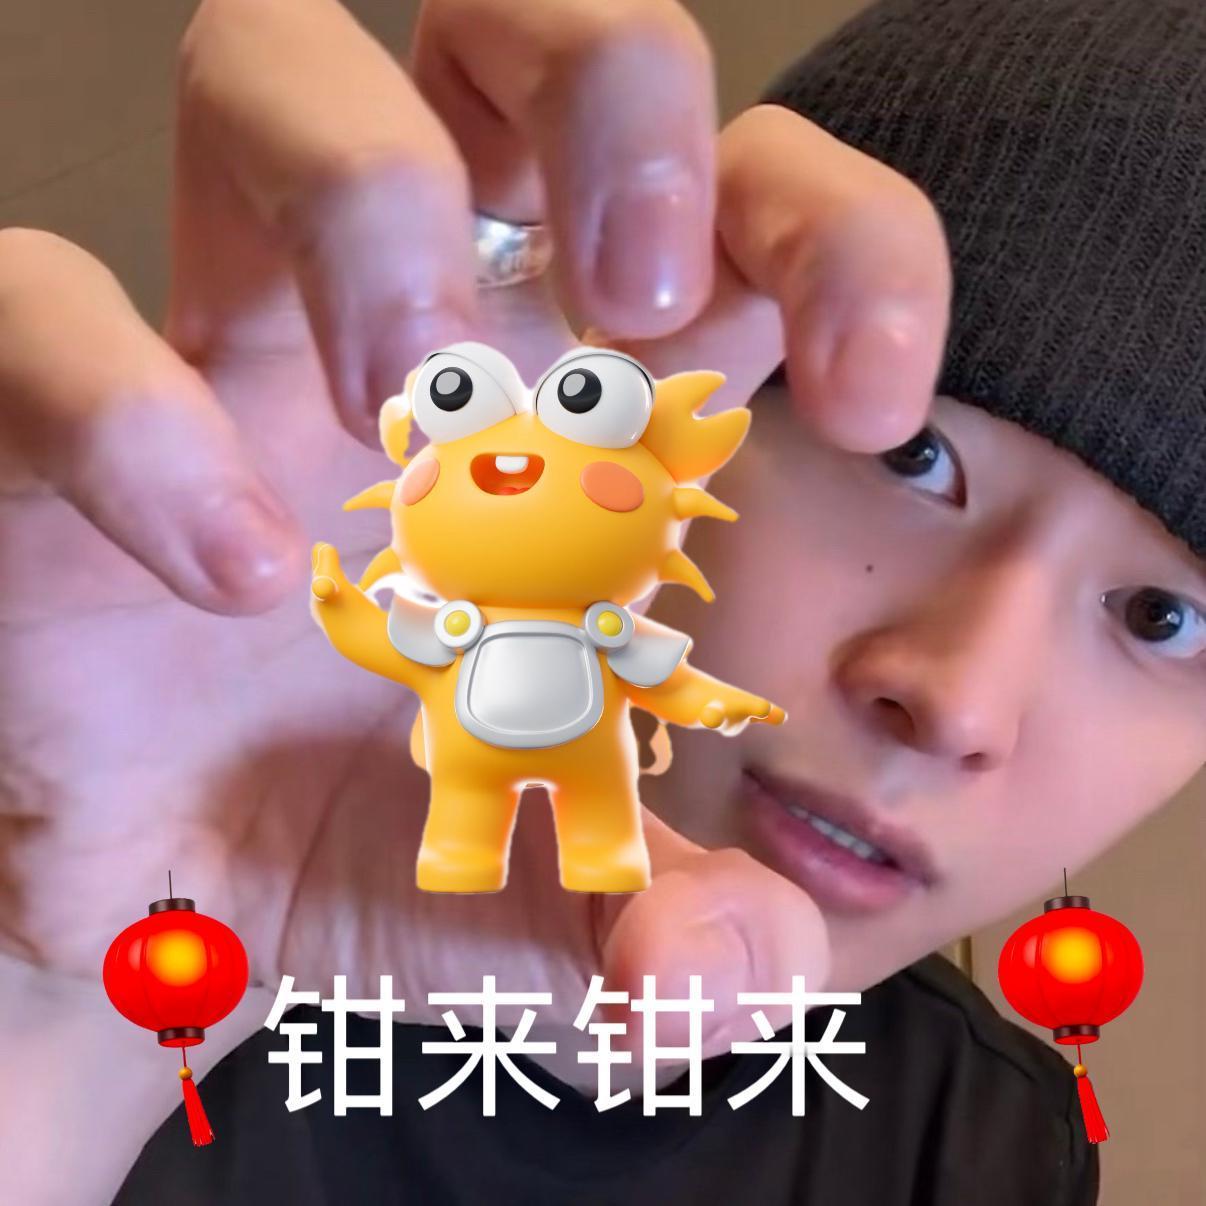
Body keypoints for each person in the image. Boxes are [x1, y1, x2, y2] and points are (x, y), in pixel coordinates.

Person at [1, 0, 1202, 1203]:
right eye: (912, 455)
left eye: (1163, 617)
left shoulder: (985, 1144)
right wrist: (60, 995)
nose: (957, 702)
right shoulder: (173, 836)